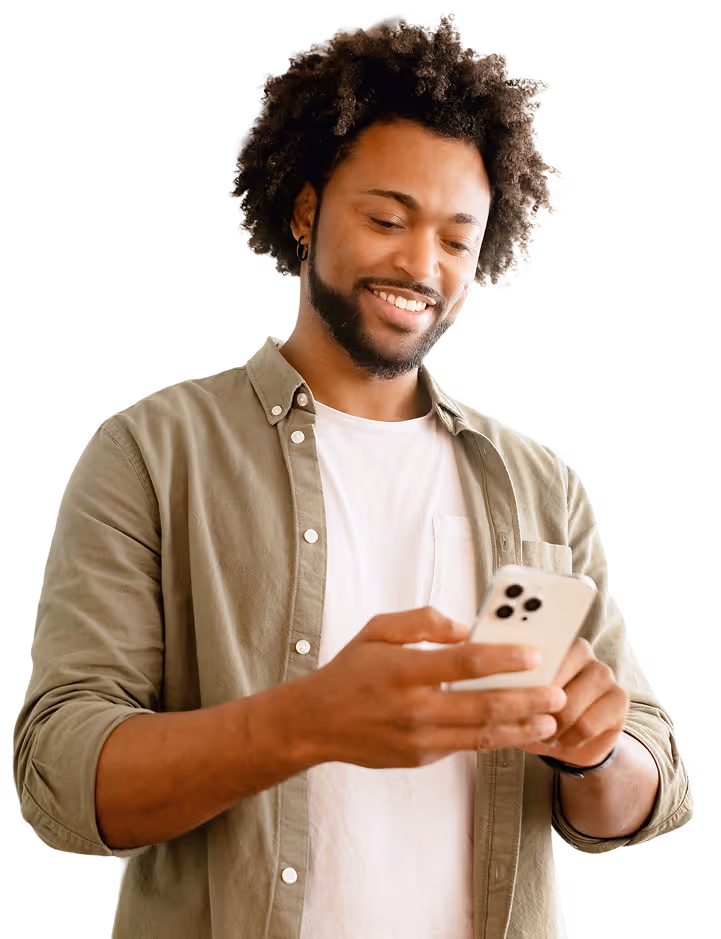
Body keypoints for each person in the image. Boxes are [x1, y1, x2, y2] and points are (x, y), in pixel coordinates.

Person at [12, 13, 692, 939]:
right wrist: (305, 723)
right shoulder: (149, 450)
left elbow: (643, 790)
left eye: (457, 239)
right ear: (304, 208)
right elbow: (58, 776)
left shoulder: (543, 484)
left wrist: (594, 750)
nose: (420, 264)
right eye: (385, 218)